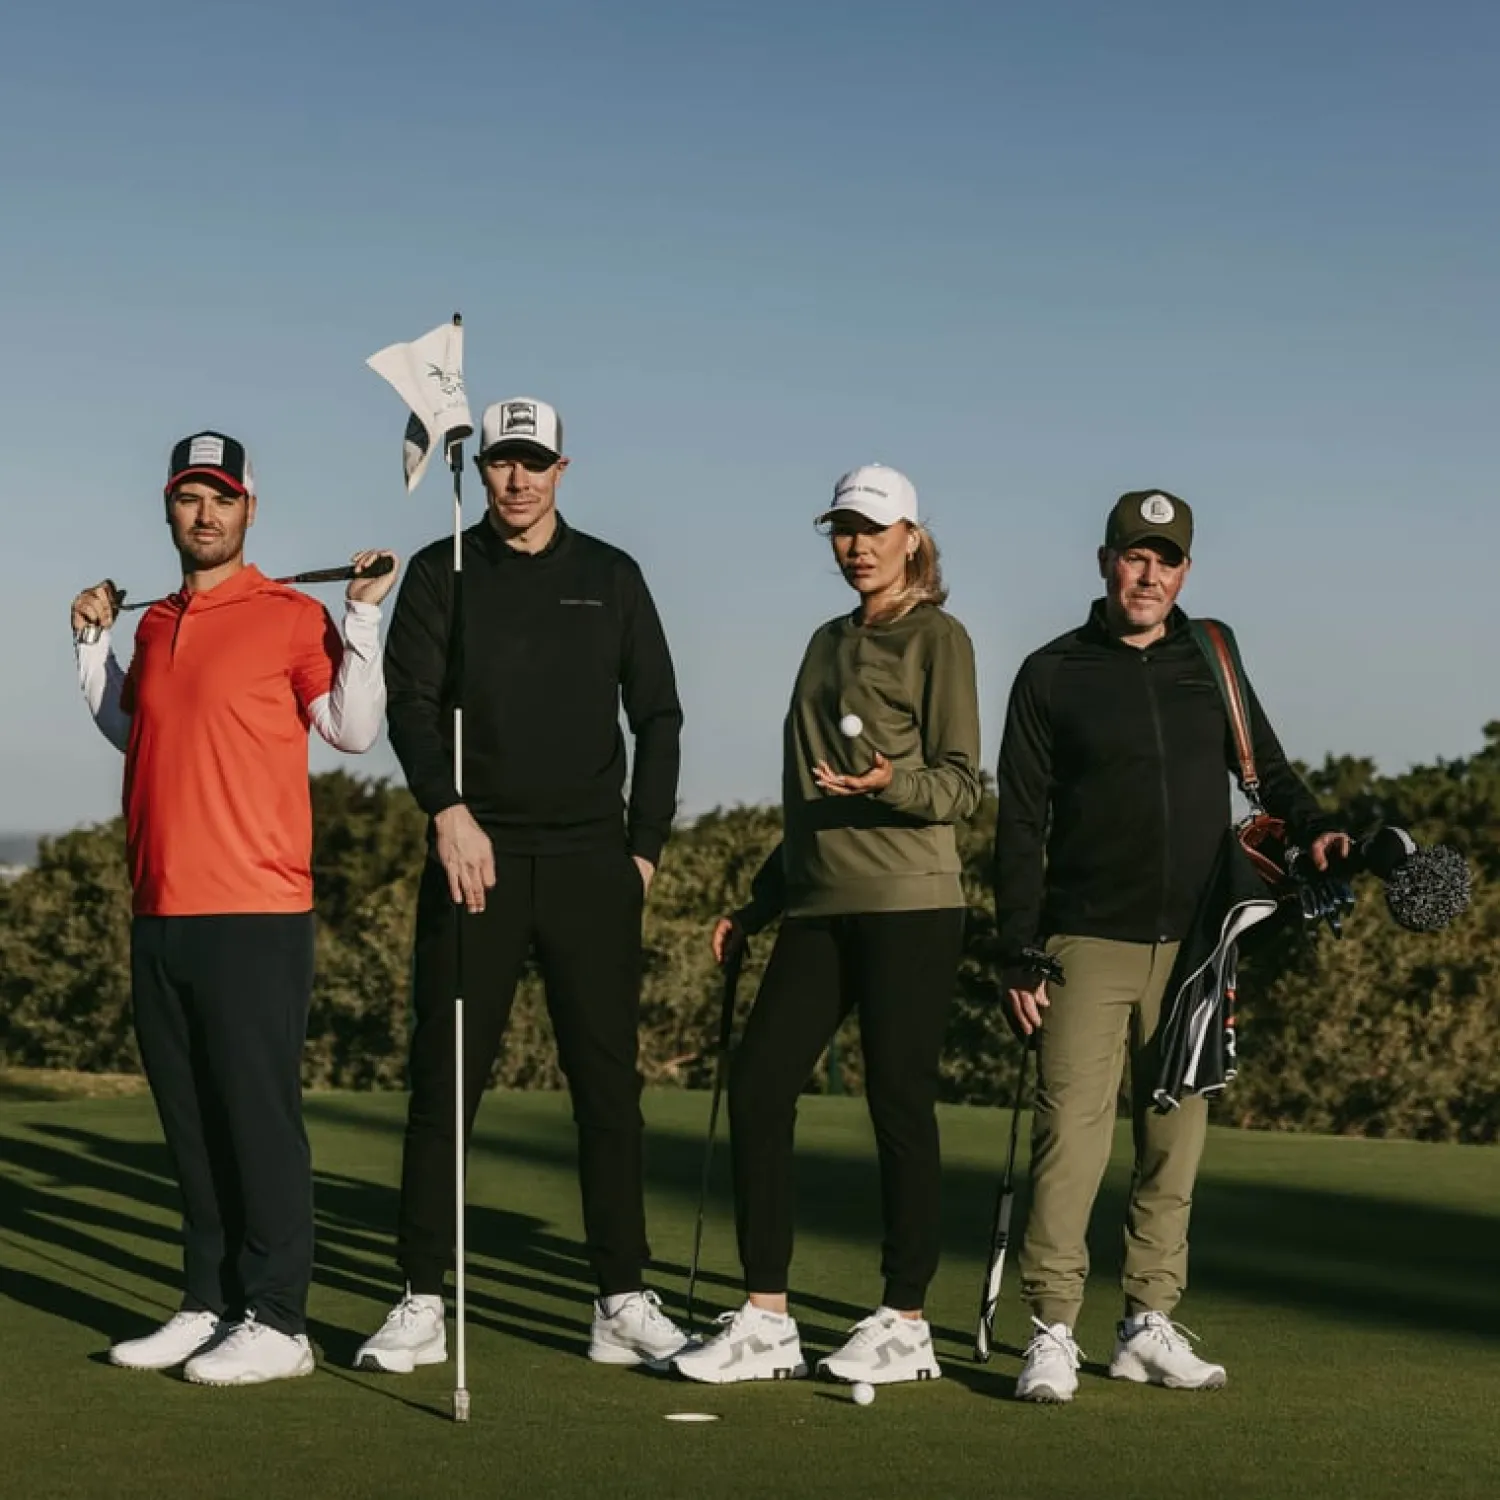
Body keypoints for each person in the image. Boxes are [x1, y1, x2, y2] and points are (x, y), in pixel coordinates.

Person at [991, 489, 1349, 1403]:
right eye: (1135, 556)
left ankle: (1146, 1323)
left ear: (1186, 572)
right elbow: (1019, 819)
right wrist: (1016, 947)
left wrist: (1315, 827)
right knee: (1068, 1147)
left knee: (1172, 1146)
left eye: (1168, 560)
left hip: (1196, 947)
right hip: (1083, 941)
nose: (1149, 575)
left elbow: (1267, 771)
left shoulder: (1212, 659)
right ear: (1105, 561)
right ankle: (1052, 1329)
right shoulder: (1051, 672)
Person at [356, 397, 690, 1373]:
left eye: (533, 462)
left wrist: (643, 850)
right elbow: (411, 706)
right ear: (482, 466)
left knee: (608, 1091)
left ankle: (620, 1297)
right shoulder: (442, 571)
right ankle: (421, 1298)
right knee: (445, 1083)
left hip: (591, 865)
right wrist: (446, 808)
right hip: (475, 861)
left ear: (561, 469)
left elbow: (659, 716)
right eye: (502, 460)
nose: (516, 479)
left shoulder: (611, 576)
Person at [69, 430, 396, 1385]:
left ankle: (280, 1321)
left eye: (220, 497)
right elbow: (132, 727)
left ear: (250, 508)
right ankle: (207, 1301)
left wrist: (362, 616)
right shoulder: (154, 625)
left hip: (256, 910)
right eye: (188, 497)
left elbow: (351, 729)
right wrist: (89, 645)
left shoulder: (292, 616)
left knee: (257, 1121)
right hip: (159, 907)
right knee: (190, 1123)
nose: (204, 514)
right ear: (169, 509)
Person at [675, 463, 982, 1387]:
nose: (856, 546)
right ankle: (766, 1317)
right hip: (816, 902)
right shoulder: (824, 641)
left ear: (911, 539)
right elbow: (810, 798)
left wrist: (892, 783)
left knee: (897, 1102)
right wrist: (759, 902)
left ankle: (907, 1320)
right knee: (759, 1083)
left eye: (874, 530)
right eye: (843, 529)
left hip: (911, 905)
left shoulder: (940, 639)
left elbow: (960, 785)